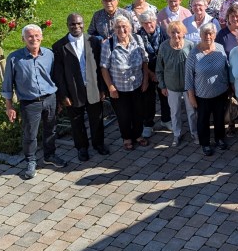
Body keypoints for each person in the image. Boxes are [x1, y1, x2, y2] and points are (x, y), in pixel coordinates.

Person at [3, 24, 67, 180]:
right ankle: (31, 161)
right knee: (30, 135)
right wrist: (9, 106)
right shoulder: (14, 58)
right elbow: (7, 84)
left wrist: (58, 100)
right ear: (23, 39)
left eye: (37, 35)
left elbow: (54, 77)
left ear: (42, 37)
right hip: (30, 103)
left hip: (50, 98)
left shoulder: (49, 55)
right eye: (30, 36)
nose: (34, 39)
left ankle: (49, 156)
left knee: (50, 130)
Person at [52, 13, 107, 162]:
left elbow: (100, 68)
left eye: (79, 23)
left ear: (83, 24)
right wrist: (63, 95)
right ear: (67, 25)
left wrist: (102, 89)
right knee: (76, 121)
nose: (76, 27)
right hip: (73, 90)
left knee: (97, 118)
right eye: (72, 24)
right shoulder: (59, 46)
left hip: (93, 87)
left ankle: (98, 144)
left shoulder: (94, 41)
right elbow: (59, 74)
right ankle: (82, 148)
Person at [100, 16, 150, 151]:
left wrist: (145, 80)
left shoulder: (138, 39)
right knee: (124, 115)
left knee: (139, 112)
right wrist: (110, 86)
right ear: (114, 29)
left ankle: (138, 135)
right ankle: (127, 137)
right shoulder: (108, 44)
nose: (122, 30)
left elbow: (145, 60)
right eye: (118, 27)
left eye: (124, 27)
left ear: (130, 28)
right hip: (119, 87)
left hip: (137, 84)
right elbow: (104, 67)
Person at [186, 23, 230, 157]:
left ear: (215, 35)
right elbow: (188, 77)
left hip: (221, 91)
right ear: (200, 35)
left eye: (211, 33)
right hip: (202, 94)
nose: (208, 36)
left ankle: (220, 139)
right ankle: (205, 143)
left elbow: (226, 68)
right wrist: (191, 96)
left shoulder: (220, 48)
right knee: (203, 120)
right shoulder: (194, 54)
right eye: (205, 33)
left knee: (219, 118)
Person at [156, 21, 197, 147]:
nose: (176, 35)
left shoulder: (190, 46)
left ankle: (195, 133)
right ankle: (177, 134)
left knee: (192, 112)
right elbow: (159, 68)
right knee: (174, 112)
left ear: (183, 33)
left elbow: (196, 67)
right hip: (172, 87)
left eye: (178, 32)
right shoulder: (164, 47)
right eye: (172, 32)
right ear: (169, 33)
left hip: (188, 87)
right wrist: (162, 85)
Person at [137, 11, 169, 139]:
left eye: (151, 22)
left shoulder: (164, 33)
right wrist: (150, 73)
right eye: (146, 23)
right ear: (141, 24)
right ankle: (148, 124)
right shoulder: (138, 36)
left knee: (164, 96)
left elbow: (167, 52)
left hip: (163, 70)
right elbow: (138, 56)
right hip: (146, 72)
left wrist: (159, 73)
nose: (149, 25)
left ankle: (166, 119)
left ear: (156, 21)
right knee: (147, 99)